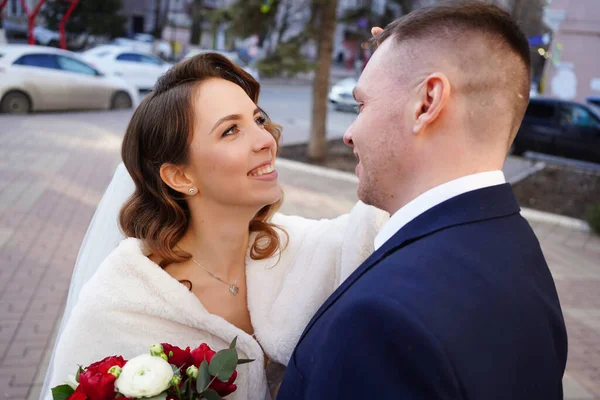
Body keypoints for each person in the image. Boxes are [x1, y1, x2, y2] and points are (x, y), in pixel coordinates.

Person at [41, 53, 387, 400]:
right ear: (180, 176)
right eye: (231, 130)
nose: (266, 140)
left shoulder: (300, 247)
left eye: (258, 119)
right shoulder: (120, 303)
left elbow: (384, 224)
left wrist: (403, 64)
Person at [278, 3, 567, 399]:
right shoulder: (518, 250)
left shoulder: (383, 319)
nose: (349, 133)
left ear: (427, 102)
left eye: (362, 105)